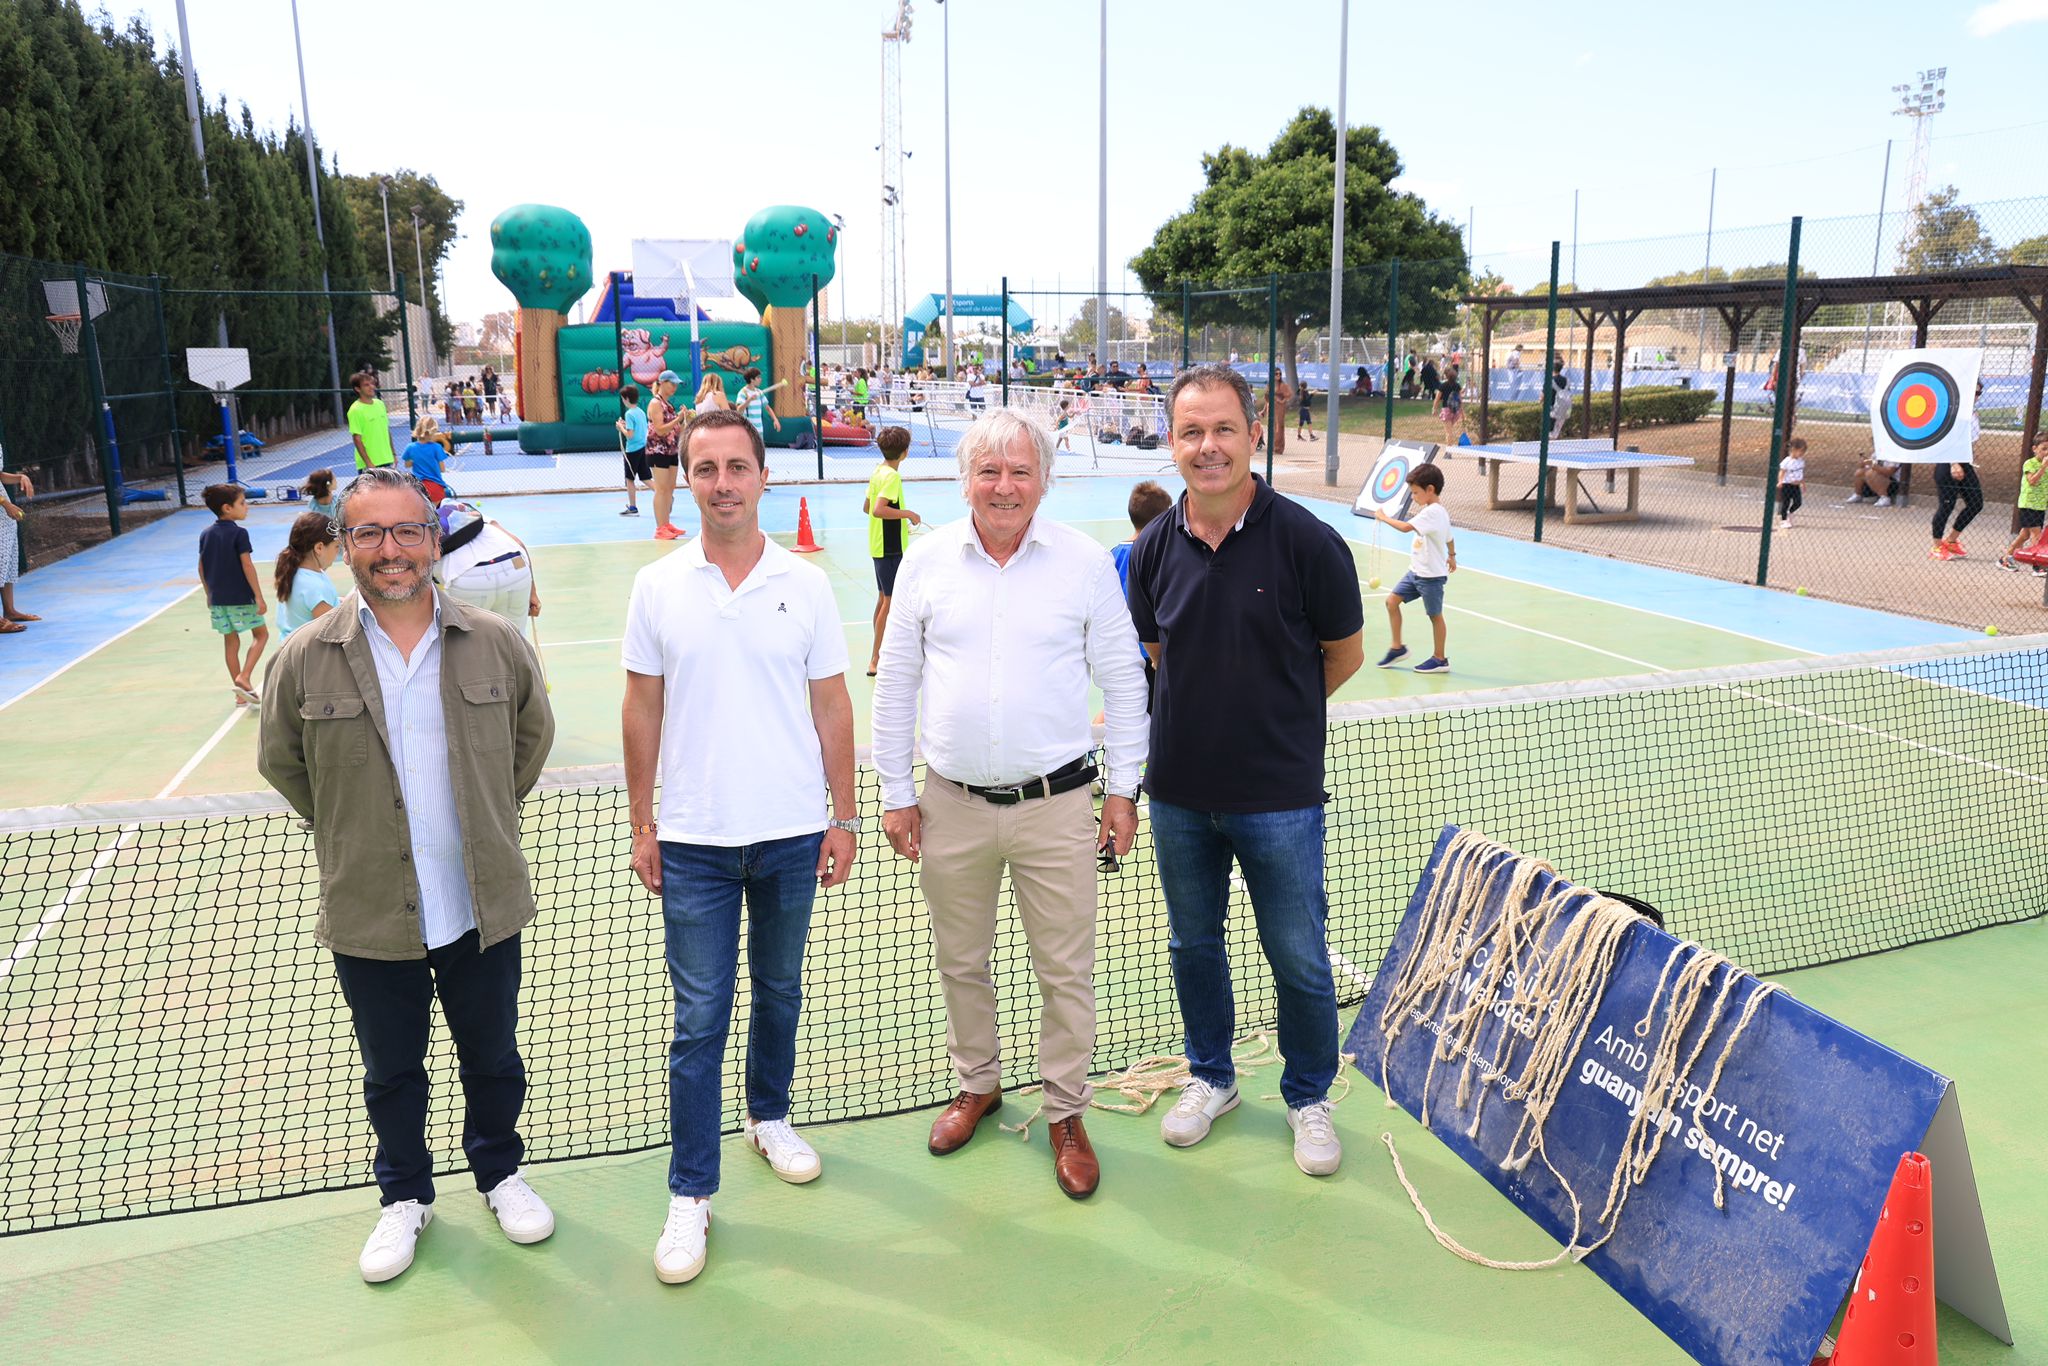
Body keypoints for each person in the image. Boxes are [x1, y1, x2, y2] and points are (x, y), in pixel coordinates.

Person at [258, 465, 556, 1285]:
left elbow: (531, 740)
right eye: (369, 533)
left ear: (433, 540)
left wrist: (487, 819)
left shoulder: (493, 642)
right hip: (369, 907)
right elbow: (283, 761)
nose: (390, 551)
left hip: (478, 903)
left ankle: (499, 1174)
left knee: (493, 1057)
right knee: (391, 1069)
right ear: (345, 545)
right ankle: (405, 1197)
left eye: (407, 532)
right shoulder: (304, 657)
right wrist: (353, 829)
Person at [871, 409, 1147, 1200]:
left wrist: (1123, 790)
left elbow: (1126, 681)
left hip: (1058, 806)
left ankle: (1065, 1110)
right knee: (962, 962)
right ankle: (979, 1084)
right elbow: (896, 684)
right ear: (965, 480)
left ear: (1044, 481)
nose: (1004, 486)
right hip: (949, 803)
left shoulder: (1086, 563)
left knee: (1065, 971)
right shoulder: (926, 563)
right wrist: (895, 793)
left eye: (1020, 471)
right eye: (988, 472)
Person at [621, 407, 859, 1285]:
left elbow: (833, 705)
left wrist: (844, 816)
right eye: (705, 468)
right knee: (698, 1020)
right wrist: (643, 822)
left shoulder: (806, 582)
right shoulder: (658, 586)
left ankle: (769, 1116)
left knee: (781, 989)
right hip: (692, 843)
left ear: (764, 477)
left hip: (794, 834)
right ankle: (691, 1194)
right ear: (685, 477)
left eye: (736, 467)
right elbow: (641, 708)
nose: (721, 482)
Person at [1124, 363, 1364, 1178]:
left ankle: (1308, 1097)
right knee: (1195, 945)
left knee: (1297, 954)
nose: (1208, 446)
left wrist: (1277, 720)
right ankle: (1212, 1078)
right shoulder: (1153, 549)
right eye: (1191, 431)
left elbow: (1345, 654)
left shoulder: (1307, 540)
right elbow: (1157, 657)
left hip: (1279, 800)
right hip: (1180, 798)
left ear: (1254, 435)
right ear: (1172, 443)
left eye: (1224, 428)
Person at [1372, 465, 1455, 674]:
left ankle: (1440, 659)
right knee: (1391, 602)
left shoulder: (1433, 513)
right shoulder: (1438, 512)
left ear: (1430, 489)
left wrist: (1383, 517)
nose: (1413, 496)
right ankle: (1397, 648)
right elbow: (1449, 537)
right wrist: (1452, 556)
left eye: (1415, 492)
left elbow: (1405, 528)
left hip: (1431, 578)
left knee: (1435, 616)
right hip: (1415, 572)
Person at [198, 483, 268, 704]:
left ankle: (241, 696)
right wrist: (258, 595)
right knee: (261, 634)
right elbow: (247, 565)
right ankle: (244, 677)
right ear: (227, 508)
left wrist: (209, 593)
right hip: (241, 598)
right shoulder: (239, 533)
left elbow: (201, 567)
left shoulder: (206, 534)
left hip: (218, 600)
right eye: (242, 503)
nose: (246, 507)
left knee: (231, 641)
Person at [863, 425, 921, 677]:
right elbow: (877, 509)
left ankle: (877, 648)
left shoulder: (878, 471)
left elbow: (866, 507)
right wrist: (907, 514)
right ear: (905, 453)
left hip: (878, 544)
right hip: (890, 548)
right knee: (889, 601)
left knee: (882, 598)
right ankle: (875, 658)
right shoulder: (892, 477)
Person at [438, 501, 541, 623]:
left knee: (467, 639)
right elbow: (518, 543)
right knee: (516, 637)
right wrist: (532, 592)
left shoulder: (423, 525)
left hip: (467, 575)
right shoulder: (467, 513)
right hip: (516, 564)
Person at [1931, 385, 1987, 560]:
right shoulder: (1954, 412)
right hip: (1949, 461)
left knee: (1976, 503)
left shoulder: (1972, 414)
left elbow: (1970, 442)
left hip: (1964, 461)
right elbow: (1946, 438)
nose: (1975, 395)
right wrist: (1954, 463)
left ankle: (1952, 541)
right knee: (1947, 505)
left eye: (1978, 393)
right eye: (1973, 391)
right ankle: (1937, 546)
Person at [275, 510, 341, 637]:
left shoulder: (292, 573)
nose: (337, 552)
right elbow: (332, 631)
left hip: (289, 649)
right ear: (319, 548)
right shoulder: (315, 587)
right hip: (309, 655)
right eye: (336, 546)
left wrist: (337, 601)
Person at [645, 370, 690, 541]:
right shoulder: (655, 403)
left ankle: (667, 524)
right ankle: (660, 528)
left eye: (676, 384)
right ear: (662, 382)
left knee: (669, 489)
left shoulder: (668, 404)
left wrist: (685, 420)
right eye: (672, 384)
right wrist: (677, 419)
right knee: (661, 489)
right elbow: (660, 429)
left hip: (671, 450)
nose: (675, 387)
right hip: (657, 450)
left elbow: (676, 430)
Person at [2001, 435, 2048, 574]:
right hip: (2028, 505)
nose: (2047, 452)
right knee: (2036, 535)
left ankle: (2006, 558)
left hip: (2040, 505)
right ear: (2035, 449)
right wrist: (2043, 467)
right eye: (2044, 449)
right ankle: (2038, 565)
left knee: (2025, 535)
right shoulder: (2030, 463)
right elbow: (2032, 481)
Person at [0, 465, 35, 633]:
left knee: (7, 558)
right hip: (3, 504)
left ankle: (10, 611)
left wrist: (19, 478)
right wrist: (5, 503)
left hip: (3, 510)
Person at [347, 371, 396, 471]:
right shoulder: (355, 410)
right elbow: (357, 439)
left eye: (372, 384)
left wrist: (393, 454)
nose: (371, 387)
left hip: (387, 460)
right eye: (366, 385)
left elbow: (386, 431)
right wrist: (368, 463)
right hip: (370, 465)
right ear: (357, 389)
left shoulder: (380, 404)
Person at [618, 384, 652, 518]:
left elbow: (630, 435)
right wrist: (626, 426)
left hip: (632, 450)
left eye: (622, 399)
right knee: (645, 477)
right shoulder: (640, 412)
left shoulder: (629, 413)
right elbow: (637, 430)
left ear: (626, 398)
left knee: (629, 479)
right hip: (642, 448)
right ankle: (664, 496)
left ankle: (633, 507)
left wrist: (621, 427)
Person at [404, 417, 456, 505]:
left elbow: (407, 464)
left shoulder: (410, 447)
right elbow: (442, 468)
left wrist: (417, 460)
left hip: (418, 487)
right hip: (435, 486)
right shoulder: (436, 447)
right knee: (436, 514)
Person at [736, 366, 782, 443]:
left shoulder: (759, 392)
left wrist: (775, 420)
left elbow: (767, 408)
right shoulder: (743, 393)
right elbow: (739, 410)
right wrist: (749, 400)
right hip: (747, 429)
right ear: (752, 379)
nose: (760, 379)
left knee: (759, 452)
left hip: (759, 429)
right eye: (758, 377)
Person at [1777, 437, 1807, 529]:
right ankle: (1784, 520)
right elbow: (1782, 471)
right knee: (1786, 502)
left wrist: (1803, 483)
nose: (1802, 454)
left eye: (1803, 452)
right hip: (1787, 484)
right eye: (1800, 451)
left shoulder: (1801, 461)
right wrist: (1780, 481)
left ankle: (1790, 513)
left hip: (1796, 485)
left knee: (1798, 502)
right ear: (1793, 450)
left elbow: (1800, 473)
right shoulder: (1787, 461)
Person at [1434, 364, 1465, 446]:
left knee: (1449, 432)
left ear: (1446, 376)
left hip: (1446, 410)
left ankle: (1449, 450)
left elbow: (1437, 398)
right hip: (1455, 411)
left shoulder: (1443, 386)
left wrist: (1434, 408)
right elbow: (1460, 400)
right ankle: (1449, 445)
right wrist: (1462, 412)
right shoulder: (1457, 386)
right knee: (1450, 430)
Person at [1547, 362, 1574, 440]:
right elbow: (1568, 393)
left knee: (1550, 431)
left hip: (1552, 409)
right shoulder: (1566, 380)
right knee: (1558, 428)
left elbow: (1542, 396)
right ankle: (1557, 441)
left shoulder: (1550, 380)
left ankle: (1551, 444)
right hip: (1564, 409)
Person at [1296, 378, 1316, 443]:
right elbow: (1307, 400)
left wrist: (1310, 393)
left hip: (1306, 410)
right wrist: (1312, 394)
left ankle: (1311, 435)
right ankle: (1299, 435)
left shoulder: (1304, 392)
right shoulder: (1303, 393)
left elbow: (1299, 392)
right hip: (1303, 410)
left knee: (1309, 422)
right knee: (1301, 424)